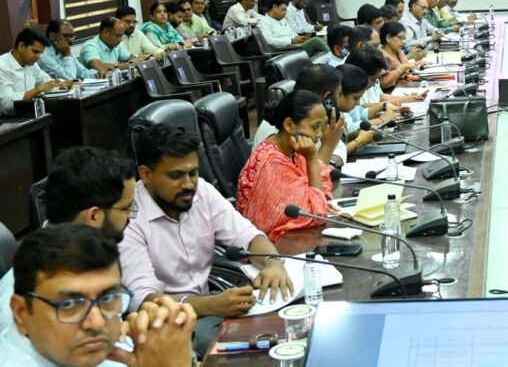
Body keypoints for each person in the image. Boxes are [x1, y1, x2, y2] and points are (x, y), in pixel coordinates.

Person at [118, 124, 292, 350]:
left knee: (287, 328)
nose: (188, 184)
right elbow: (144, 300)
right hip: (167, 329)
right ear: (146, 174)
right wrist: (211, 305)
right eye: (176, 176)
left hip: (212, 311)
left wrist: (273, 262)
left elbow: (248, 236)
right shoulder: (129, 217)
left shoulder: (202, 191)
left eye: (193, 173)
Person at [2, 224, 197, 367]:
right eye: (69, 304)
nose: (96, 323)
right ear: (20, 313)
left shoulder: (106, 346)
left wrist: (169, 352)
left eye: (107, 298)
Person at [0, 147, 137, 336]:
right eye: (126, 209)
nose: (131, 217)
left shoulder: (92, 256)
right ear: (94, 216)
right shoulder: (29, 307)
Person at [236, 90, 337, 242]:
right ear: (289, 125)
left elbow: (323, 175)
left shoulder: (291, 148)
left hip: (294, 239)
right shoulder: (272, 163)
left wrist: (319, 198)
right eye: (315, 127)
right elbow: (316, 215)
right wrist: (311, 158)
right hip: (271, 247)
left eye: (321, 127)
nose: (319, 135)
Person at [253, 63, 345, 162]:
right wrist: (328, 146)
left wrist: (331, 162)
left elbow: (339, 147)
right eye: (339, 95)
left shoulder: (314, 118)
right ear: (327, 98)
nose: (319, 135)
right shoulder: (281, 130)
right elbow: (308, 171)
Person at [0, 29, 70, 114]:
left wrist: (67, 84)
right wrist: (38, 90)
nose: (38, 57)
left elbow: (47, 82)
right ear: (21, 46)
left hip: (30, 113)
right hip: (8, 118)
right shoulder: (2, 66)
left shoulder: (31, 64)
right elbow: (7, 104)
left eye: (40, 53)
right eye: (35, 51)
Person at [257, 0, 330, 57]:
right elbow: (269, 41)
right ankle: (334, 59)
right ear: (275, 7)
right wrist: (291, 41)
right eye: (283, 9)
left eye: (286, 10)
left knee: (322, 46)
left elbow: (291, 32)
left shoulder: (282, 20)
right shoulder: (264, 22)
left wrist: (300, 38)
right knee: (316, 41)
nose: (285, 12)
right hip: (284, 51)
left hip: (294, 46)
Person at [379, 21, 421, 90]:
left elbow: (406, 68)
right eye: (400, 38)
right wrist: (401, 68)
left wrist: (418, 64)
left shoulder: (398, 51)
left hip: (405, 87)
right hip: (391, 92)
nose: (403, 42)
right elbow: (382, 83)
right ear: (388, 38)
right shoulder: (381, 56)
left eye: (404, 38)